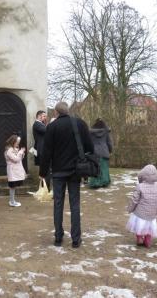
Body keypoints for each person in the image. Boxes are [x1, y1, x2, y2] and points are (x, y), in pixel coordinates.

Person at [39, 102, 94, 248]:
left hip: (57, 172)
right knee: (75, 205)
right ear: (67, 111)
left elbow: (47, 152)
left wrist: (43, 172)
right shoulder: (80, 124)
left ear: (56, 112)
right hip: (75, 171)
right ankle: (76, 239)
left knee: (58, 204)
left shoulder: (52, 127)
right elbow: (90, 147)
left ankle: (58, 237)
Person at [126, 164, 157, 248]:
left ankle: (139, 238)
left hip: (140, 214)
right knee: (149, 229)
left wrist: (130, 209)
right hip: (151, 215)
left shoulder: (139, 187)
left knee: (139, 226)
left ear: (143, 175)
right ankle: (147, 241)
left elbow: (134, 200)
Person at [88, 118, 113, 188]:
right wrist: (110, 150)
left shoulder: (90, 132)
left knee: (95, 168)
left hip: (94, 152)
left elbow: (88, 142)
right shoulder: (106, 132)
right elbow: (109, 143)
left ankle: (94, 183)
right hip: (104, 151)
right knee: (104, 167)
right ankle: (104, 182)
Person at [4, 135, 26, 207]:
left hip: (15, 171)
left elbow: (19, 159)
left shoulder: (14, 149)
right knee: (12, 186)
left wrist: (21, 153)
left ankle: (12, 200)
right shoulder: (9, 150)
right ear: (13, 142)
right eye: (17, 142)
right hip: (12, 171)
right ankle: (12, 201)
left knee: (13, 186)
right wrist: (20, 152)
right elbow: (16, 159)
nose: (18, 144)